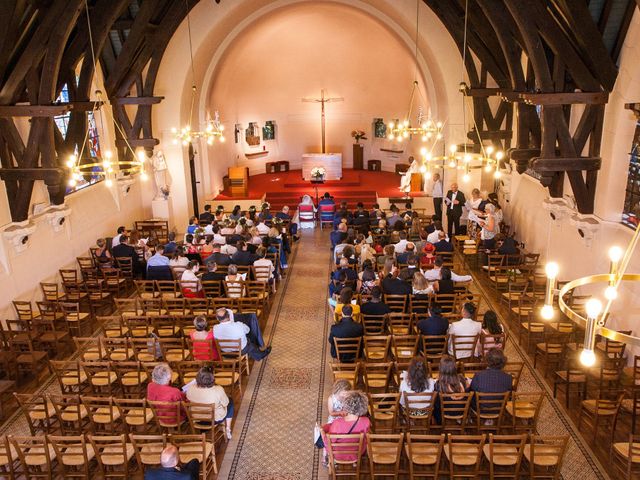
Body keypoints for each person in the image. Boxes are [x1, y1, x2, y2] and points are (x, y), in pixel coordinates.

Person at [321, 391, 371, 464]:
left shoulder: (337, 423)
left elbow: (327, 442)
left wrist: (322, 431)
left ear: (346, 405)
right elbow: (365, 437)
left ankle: (326, 461)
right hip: (357, 453)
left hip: (338, 454)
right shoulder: (366, 421)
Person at [186, 367, 233, 439]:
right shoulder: (218, 389)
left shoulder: (190, 388)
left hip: (197, 418)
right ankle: (228, 428)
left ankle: (202, 432)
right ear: (212, 378)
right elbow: (225, 403)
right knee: (230, 402)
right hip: (214, 419)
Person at [433, 355, 469, 423]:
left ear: (441, 368)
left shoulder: (438, 385)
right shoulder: (462, 379)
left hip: (444, 414)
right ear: (454, 367)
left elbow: (437, 404)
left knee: (435, 404)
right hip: (461, 412)